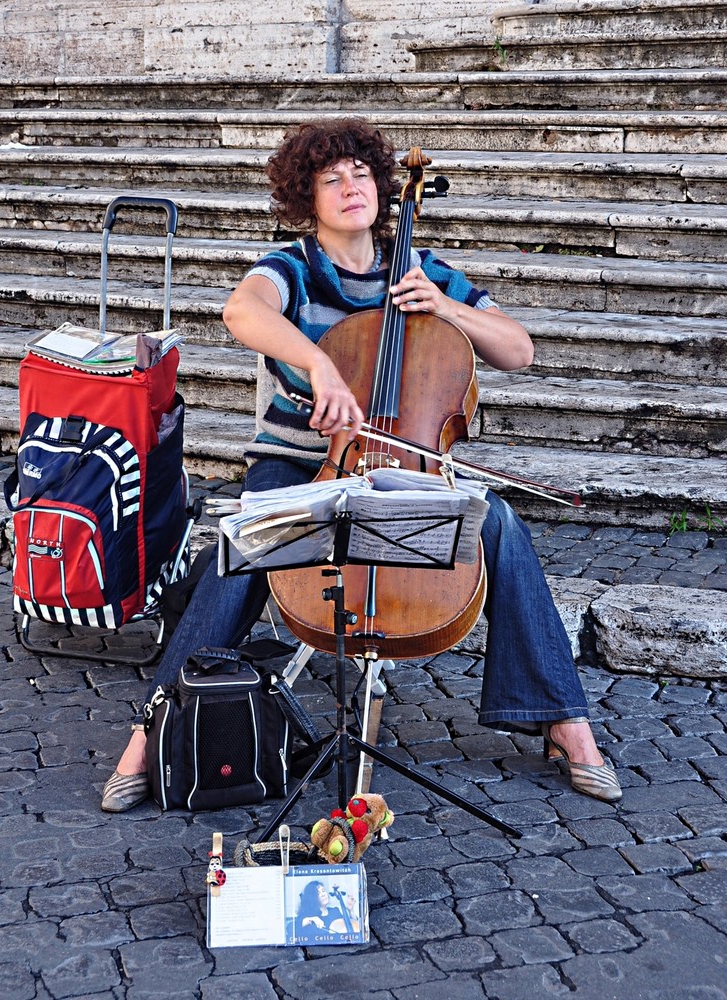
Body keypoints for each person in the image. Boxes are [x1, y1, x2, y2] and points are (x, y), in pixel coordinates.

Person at [100, 117, 621, 812]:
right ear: (305, 198)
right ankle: (151, 728)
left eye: (361, 174)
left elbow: (517, 350)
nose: (351, 188)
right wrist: (318, 363)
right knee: (245, 543)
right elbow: (241, 311)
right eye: (329, 179)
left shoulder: (423, 272)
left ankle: (564, 722)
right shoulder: (291, 267)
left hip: (406, 469)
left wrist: (446, 309)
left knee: (497, 525)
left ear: (382, 186)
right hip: (300, 464)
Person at [295, 881, 359, 938]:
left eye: (323, 891)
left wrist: (351, 910)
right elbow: (291, 928)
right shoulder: (308, 915)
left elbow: (351, 928)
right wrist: (311, 919)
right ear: (312, 898)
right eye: (318, 893)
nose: (323, 894)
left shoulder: (335, 911)